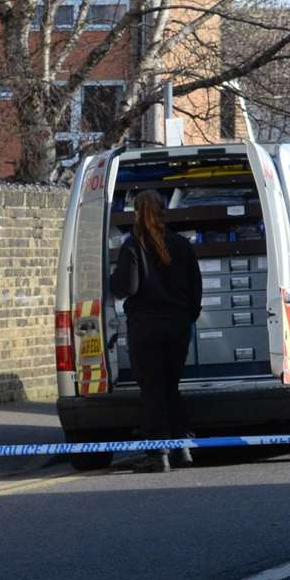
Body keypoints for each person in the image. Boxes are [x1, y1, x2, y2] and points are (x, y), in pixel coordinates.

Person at [111, 190, 203, 473]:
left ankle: (158, 453)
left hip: (146, 328)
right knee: (171, 387)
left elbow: (127, 287)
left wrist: (111, 279)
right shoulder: (181, 244)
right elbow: (196, 288)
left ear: (137, 213)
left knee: (152, 391)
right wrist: (187, 315)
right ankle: (182, 448)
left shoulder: (132, 246)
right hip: (177, 327)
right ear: (164, 211)